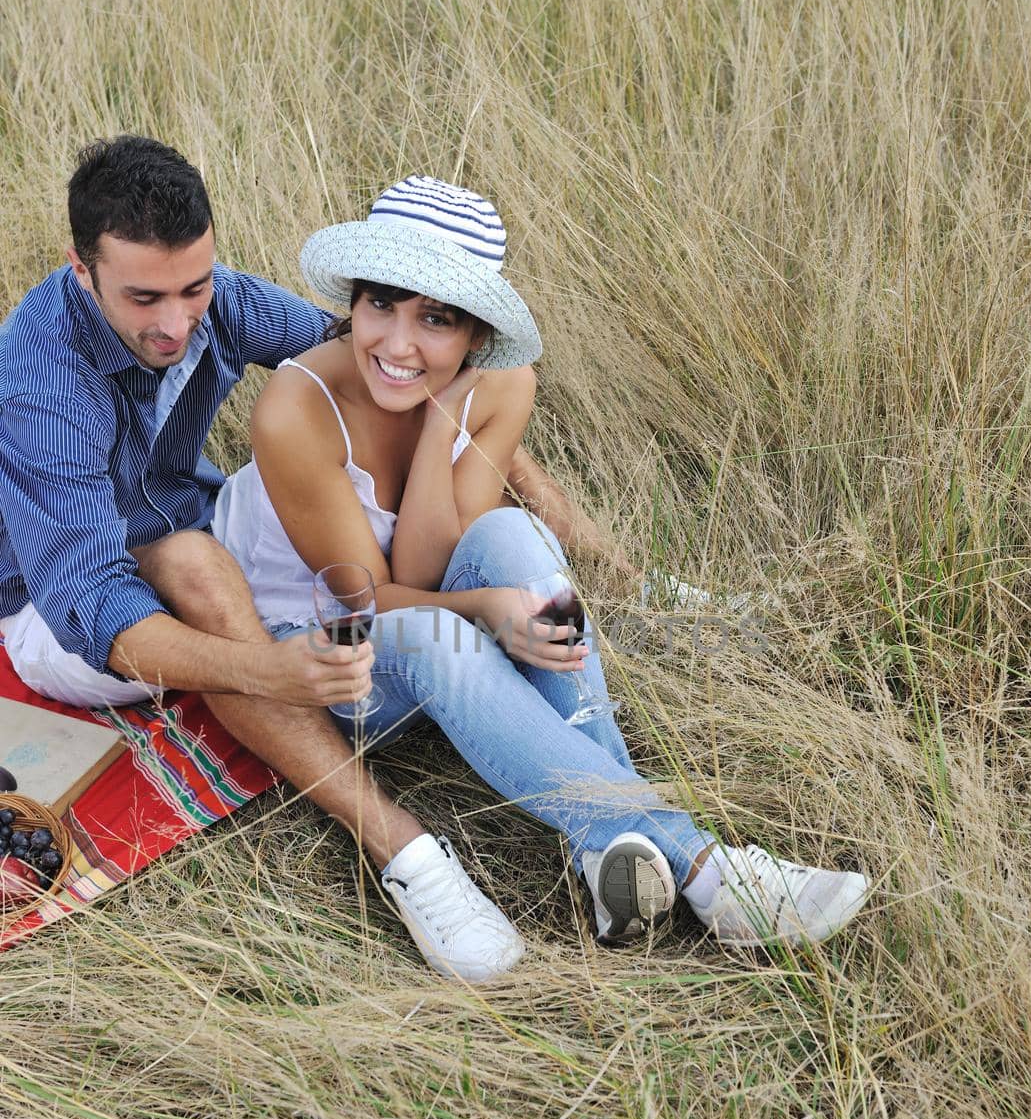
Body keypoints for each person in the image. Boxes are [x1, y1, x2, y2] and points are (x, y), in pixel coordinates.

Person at [212, 174, 871, 981]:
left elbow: (430, 559)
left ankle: (608, 851)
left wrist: (441, 422)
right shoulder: (295, 406)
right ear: (352, 299)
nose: (396, 343)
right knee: (439, 623)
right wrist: (487, 603)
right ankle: (707, 869)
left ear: (478, 338)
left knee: (512, 530)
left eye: (437, 317)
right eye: (380, 303)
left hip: (422, 615)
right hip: (327, 660)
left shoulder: (502, 386)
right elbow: (375, 599)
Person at [0, 137, 584, 980]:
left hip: (192, 524)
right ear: (80, 270)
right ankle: (409, 856)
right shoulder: (40, 384)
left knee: (251, 525)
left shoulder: (217, 301)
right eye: (143, 298)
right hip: (50, 614)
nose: (174, 322)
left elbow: (381, 363)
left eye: (192, 288)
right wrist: (261, 669)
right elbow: (92, 605)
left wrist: (555, 507)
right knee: (199, 566)